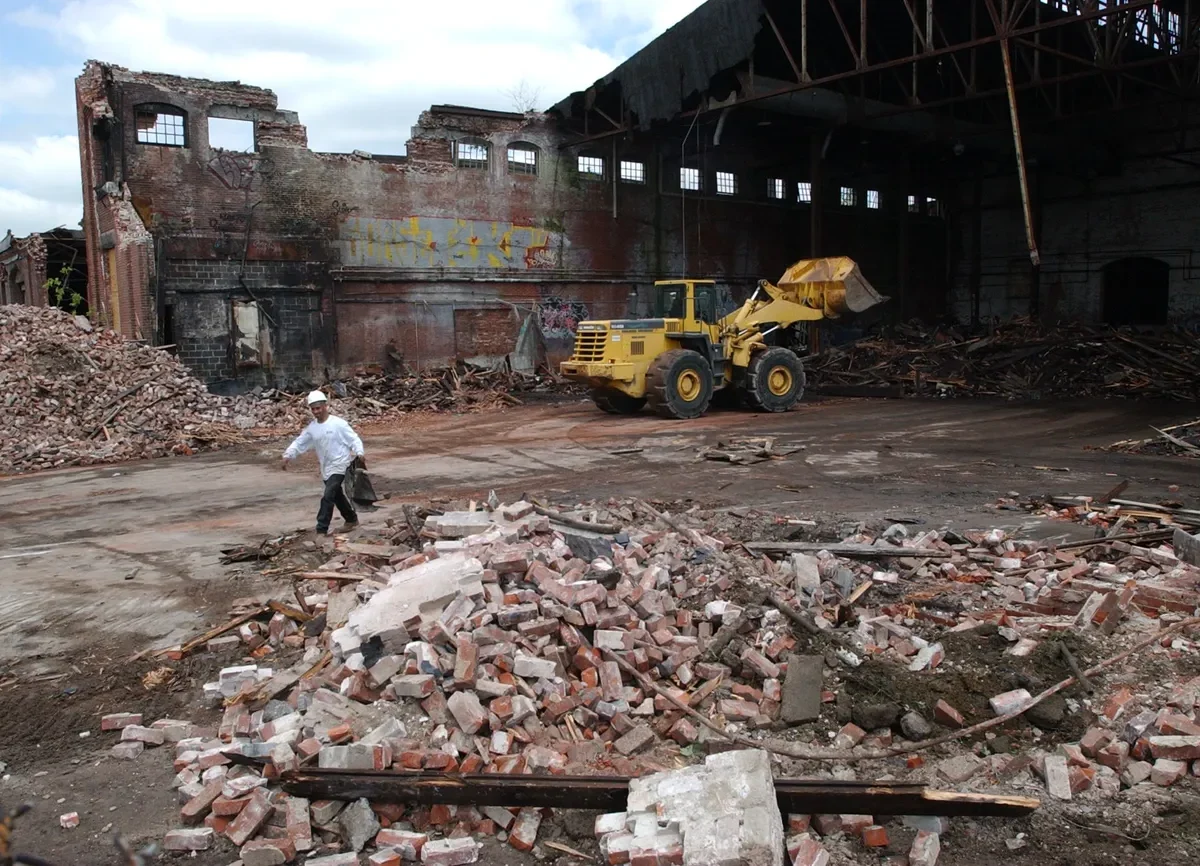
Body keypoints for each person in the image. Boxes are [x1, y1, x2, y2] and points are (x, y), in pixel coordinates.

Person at [281, 390, 365, 535]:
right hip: (326, 467)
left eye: (318, 408)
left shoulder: (338, 424)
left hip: (340, 464)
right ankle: (351, 519)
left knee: (328, 496)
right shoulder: (313, 428)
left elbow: (353, 439)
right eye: (313, 409)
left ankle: (321, 529)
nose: (316, 411)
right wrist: (288, 454)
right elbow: (300, 442)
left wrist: (359, 452)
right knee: (336, 495)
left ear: (325, 406)